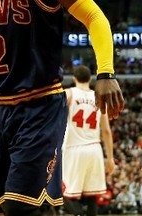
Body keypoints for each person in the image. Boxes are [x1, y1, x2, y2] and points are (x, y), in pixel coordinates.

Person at [0, 0, 124, 215]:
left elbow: (93, 15)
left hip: (39, 103)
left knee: (20, 206)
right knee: (1, 207)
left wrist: (105, 73)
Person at [62, 65, 115, 216]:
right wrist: (110, 158)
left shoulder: (69, 94)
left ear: (74, 78)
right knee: (92, 195)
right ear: (90, 79)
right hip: (94, 149)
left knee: (62, 191)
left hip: (74, 148)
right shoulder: (99, 98)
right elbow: (106, 131)